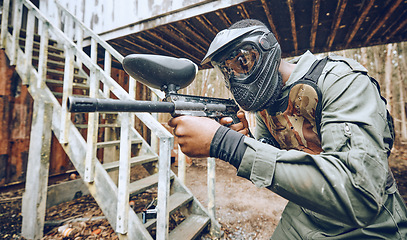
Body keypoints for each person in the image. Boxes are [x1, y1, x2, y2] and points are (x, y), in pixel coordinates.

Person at [168, 19, 407, 239]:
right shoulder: (265, 105)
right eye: (227, 71)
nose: (235, 79)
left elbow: (361, 196)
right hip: (306, 212)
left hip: (372, 225)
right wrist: (246, 140)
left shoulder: (340, 79)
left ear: (265, 50)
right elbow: (275, 159)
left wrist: (227, 144)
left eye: (241, 63)